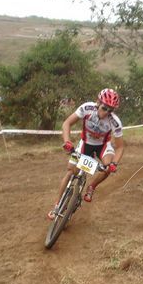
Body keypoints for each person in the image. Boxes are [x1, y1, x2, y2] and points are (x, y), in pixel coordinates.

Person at [47, 88, 124, 220]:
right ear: (98, 102)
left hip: (103, 146)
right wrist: (67, 141)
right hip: (85, 143)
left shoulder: (115, 121)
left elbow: (120, 147)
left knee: (107, 167)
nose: (106, 113)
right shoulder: (87, 108)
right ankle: (57, 205)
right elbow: (67, 123)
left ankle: (91, 186)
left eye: (111, 110)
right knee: (71, 172)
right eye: (104, 108)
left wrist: (114, 163)